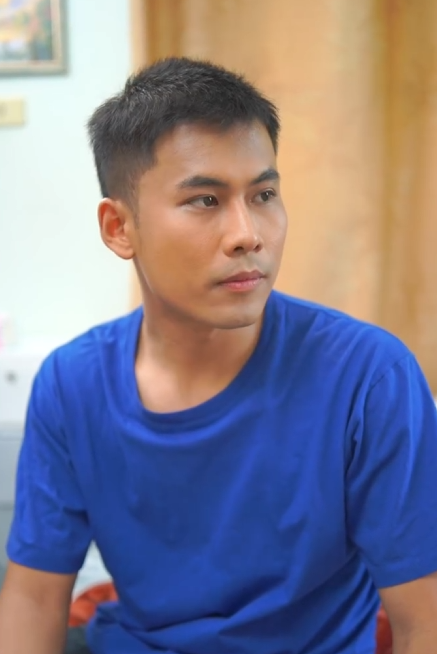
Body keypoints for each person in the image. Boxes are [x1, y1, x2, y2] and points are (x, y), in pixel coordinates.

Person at [0, 57, 436, 654]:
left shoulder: (368, 377)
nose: (247, 233)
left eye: (264, 194)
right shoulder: (71, 383)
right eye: (206, 200)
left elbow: (423, 620)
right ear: (119, 228)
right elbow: (33, 598)